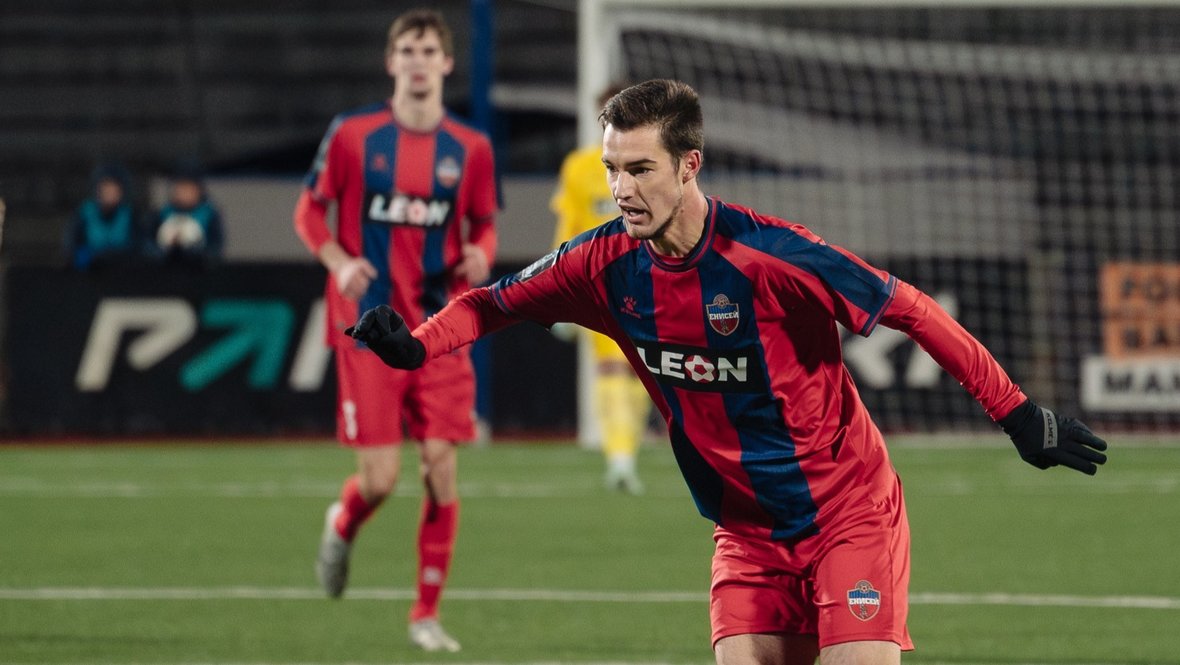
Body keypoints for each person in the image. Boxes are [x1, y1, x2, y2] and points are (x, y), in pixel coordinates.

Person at [345, 80, 1108, 665]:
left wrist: (1015, 413)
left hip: (848, 513)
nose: (621, 190)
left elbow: (911, 310)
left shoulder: (774, 256)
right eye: (612, 170)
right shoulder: (601, 264)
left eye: (640, 169)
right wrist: (417, 346)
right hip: (745, 534)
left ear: (690, 165)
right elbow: (490, 303)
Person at [292, 9, 498, 654]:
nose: (417, 60)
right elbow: (309, 211)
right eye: (407, 49)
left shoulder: (471, 148)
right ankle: (343, 521)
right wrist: (338, 262)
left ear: (446, 63)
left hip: (439, 328)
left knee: (440, 469)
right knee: (380, 479)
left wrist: (482, 254)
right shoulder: (354, 135)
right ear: (391, 62)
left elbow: (484, 224)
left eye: (428, 50)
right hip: (368, 330)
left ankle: (425, 614)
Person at [550, 84, 650, 494]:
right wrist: (557, 287)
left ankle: (626, 452)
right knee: (611, 368)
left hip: (651, 278)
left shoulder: (656, 165)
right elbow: (568, 228)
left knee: (643, 371)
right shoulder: (579, 167)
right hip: (599, 281)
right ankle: (620, 459)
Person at [67, 162, 146, 270]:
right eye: (106, 188)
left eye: (115, 189)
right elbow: (71, 248)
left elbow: (140, 247)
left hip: (123, 271)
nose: (110, 193)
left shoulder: (131, 214)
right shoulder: (84, 213)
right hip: (92, 272)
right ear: (98, 190)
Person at [152, 161, 224, 268]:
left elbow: (216, 247)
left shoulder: (209, 214)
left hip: (199, 271)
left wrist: (198, 255)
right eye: (181, 187)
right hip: (166, 270)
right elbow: (149, 244)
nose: (185, 193)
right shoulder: (163, 213)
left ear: (199, 190)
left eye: (190, 188)